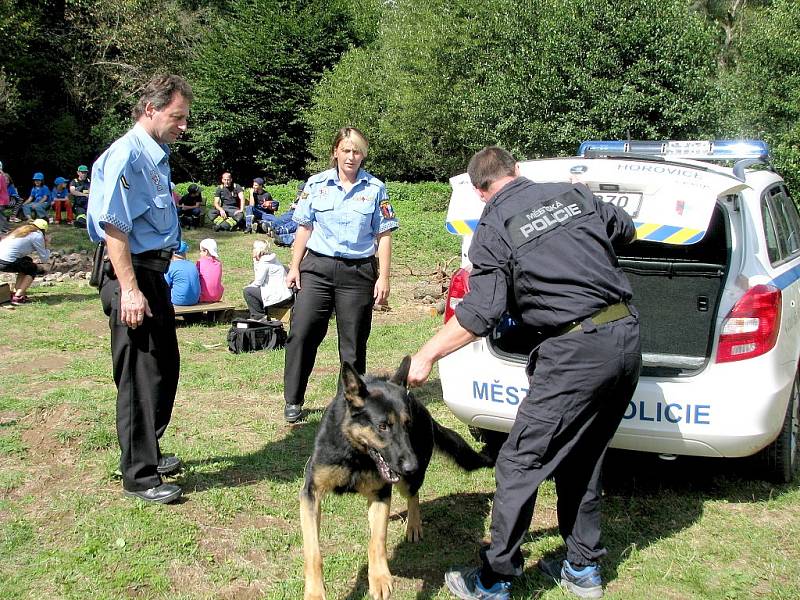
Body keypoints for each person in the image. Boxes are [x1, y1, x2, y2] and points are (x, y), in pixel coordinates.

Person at [406, 146, 642, 600]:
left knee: (519, 462)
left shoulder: (492, 226)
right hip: (625, 337)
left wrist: (427, 354)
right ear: (517, 171)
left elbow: (480, 313)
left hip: (575, 352)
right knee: (585, 452)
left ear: (480, 191)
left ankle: (495, 580)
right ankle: (582, 567)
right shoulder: (572, 193)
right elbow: (625, 228)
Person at [87, 73, 193, 505]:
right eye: (177, 117)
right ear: (151, 110)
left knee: (165, 368)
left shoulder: (157, 156)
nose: (183, 126)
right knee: (140, 376)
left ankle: (146, 448)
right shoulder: (125, 156)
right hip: (131, 276)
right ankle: (139, 475)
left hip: (154, 275)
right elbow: (113, 225)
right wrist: (130, 290)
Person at [282, 127, 398, 423]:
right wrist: (294, 266)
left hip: (357, 272)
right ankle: (293, 398)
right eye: (345, 150)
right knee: (302, 333)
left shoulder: (375, 189)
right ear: (335, 152)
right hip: (318, 269)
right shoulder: (316, 183)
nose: (351, 156)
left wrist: (383, 277)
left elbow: (384, 235)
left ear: (363, 155)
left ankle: (347, 403)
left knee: (353, 344)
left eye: (356, 151)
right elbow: (304, 227)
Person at [0, 219, 50, 305]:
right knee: (33, 268)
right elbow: (44, 259)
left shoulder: (20, 231)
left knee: (27, 261)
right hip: (6, 262)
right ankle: (18, 297)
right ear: (43, 230)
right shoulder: (38, 235)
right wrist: (47, 244)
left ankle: (16, 291)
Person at [243, 239, 293, 321]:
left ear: (258, 250)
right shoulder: (271, 259)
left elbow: (258, 282)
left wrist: (247, 286)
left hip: (280, 297)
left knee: (248, 291)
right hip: (285, 294)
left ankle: (258, 316)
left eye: (254, 248)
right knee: (252, 285)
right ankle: (263, 311)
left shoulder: (264, 263)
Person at [263, 180, 303, 245]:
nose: (299, 195)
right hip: (295, 212)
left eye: (301, 193)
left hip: (302, 215)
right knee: (286, 220)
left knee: (297, 224)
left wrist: (297, 207)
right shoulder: (301, 197)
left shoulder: (311, 197)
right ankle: (274, 229)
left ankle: (281, 235)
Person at [165, 240, 200, 306]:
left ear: (173, 252)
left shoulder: (171, 266)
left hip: (178, 301)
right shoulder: (192, 265)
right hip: (195, 300)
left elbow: (165, 285)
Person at [197, 237, 224, 302]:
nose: (200, 253)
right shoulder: (218, 263)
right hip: (217, 296)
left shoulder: (200, 262)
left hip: (203, 296)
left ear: (205, 251)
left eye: (201, 251)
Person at [0, 161, 9, 233]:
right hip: (4, 199)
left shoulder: (0, 176)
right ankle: (5, 228)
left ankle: (5, 229)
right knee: (2, 214)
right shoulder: (3, 176)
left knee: (1, 215)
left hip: (1, 200)